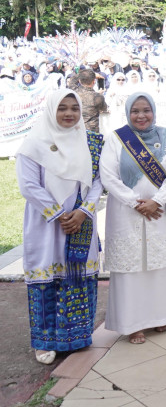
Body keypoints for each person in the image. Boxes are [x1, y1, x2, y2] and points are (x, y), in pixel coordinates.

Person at [16, 90, 103, 365]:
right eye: (62, 108)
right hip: (46, 224)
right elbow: (28, 185)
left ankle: (76, 337)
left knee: (77, 277)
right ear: (51, 110)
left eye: (74, 109)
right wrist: (59, 214)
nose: (69, 114)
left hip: (81, 222)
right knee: (47, 279)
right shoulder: (33, 144)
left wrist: (83, 212)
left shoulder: (90, 143)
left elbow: (98, 180)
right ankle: (44, 342)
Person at [101, 93, 166, 343]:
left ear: (154, 111)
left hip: (158, 211)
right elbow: (108, 176)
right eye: (135, 111)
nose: (141, 115)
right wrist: (135, 203)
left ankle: (160, 317)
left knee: (160, 267)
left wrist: (157, 201)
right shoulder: (116, 139)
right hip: (126, 213)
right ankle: (133, 324)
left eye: (146, 110)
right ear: (127, 113)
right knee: (132, 269)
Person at [74, 68, 108, 134]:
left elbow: (72, 80)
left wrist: (84, 75)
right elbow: (104, 108)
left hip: (76, 129)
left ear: (80, 81)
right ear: (94, 82)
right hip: (91, 132)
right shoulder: (97, 97)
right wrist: (99, 94)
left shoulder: (74, 93)